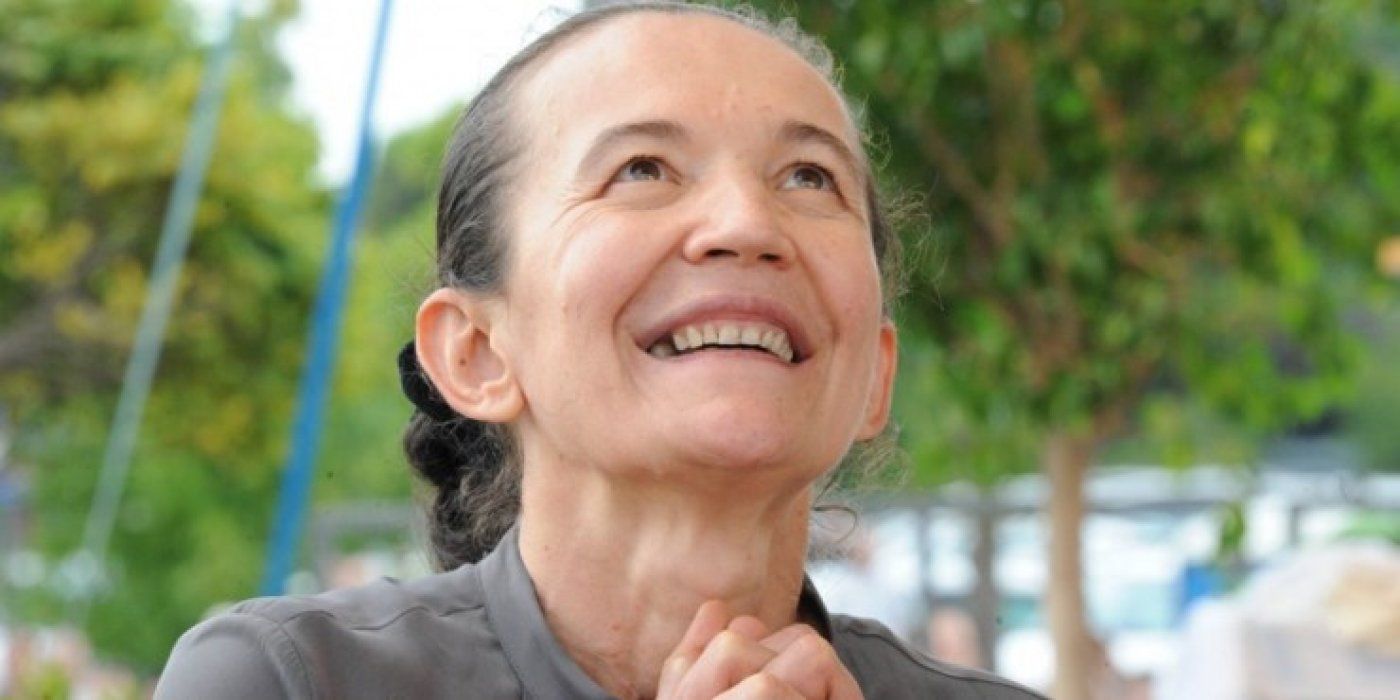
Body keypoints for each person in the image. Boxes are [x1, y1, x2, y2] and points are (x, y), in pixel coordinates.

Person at [156, 2, 1044, 698]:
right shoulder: (288, 681)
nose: (747, 224)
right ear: (475, 353)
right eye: (642, 169)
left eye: (808, 178)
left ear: (876, 375)